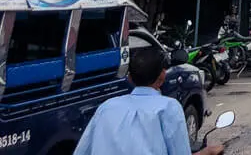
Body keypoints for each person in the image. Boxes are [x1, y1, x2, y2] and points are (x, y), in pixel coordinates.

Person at [74, 45, 224, 155]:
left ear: (130, 78)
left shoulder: (106, 107)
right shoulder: (168, 108)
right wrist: (208, 152)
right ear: (162, 76)